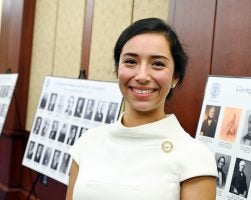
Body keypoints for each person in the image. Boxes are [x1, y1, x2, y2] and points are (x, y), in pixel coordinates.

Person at [66, 18, 217, 200]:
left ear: (175, 77)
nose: (142, 76)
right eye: (131, 61)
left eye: (158, 64)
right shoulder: (88, 142)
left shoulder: (196, 157)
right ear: (117, 69)